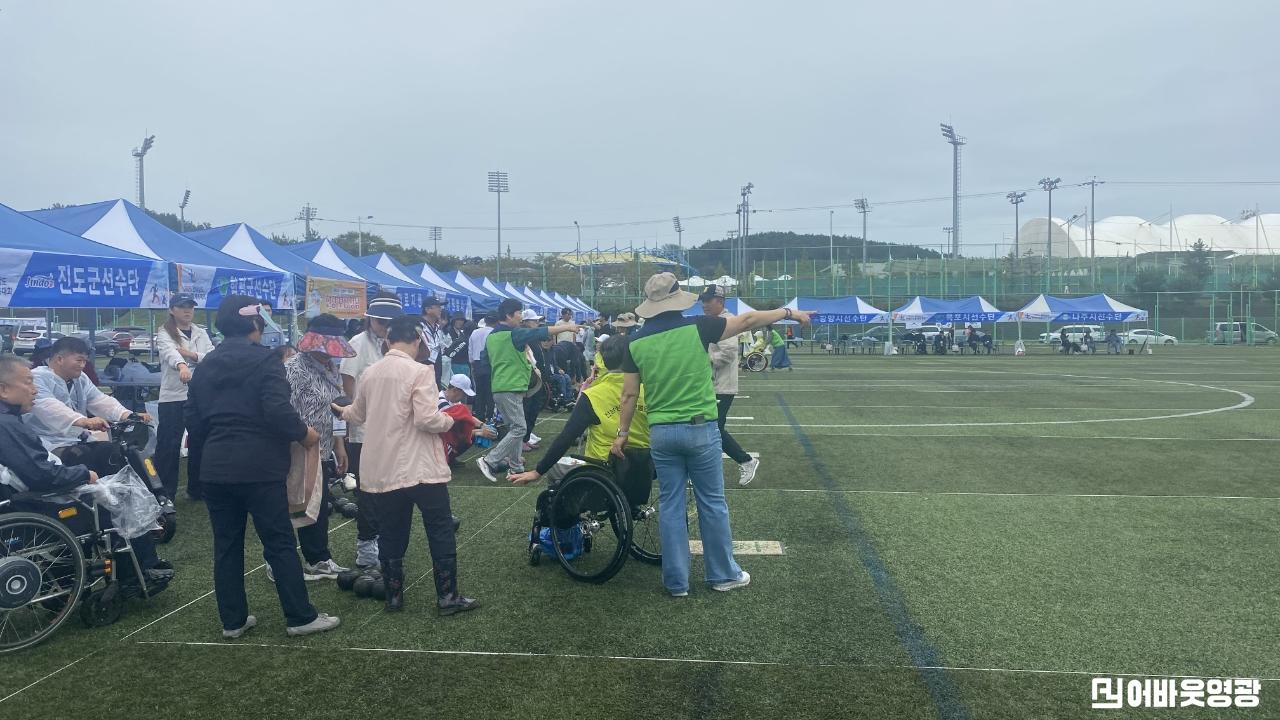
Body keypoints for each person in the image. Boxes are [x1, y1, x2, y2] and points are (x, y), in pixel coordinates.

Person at [612, 273, 810, 597]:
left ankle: (676, 582)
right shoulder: (699, 326)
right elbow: (748, 320)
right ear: (678, 299)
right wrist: (789, 312)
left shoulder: (634, 342)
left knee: (670, 505)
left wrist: (622, 434)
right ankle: (722, 575)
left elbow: (629, 395)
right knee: (712, 503)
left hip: (661, 432)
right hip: (700, 428)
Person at [184, 295, 339, 638]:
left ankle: (233, 621)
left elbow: (192, 419)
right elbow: (277, 410)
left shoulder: (206, 364)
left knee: (226, 545)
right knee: (279, 542)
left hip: (215, 467)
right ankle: (300, 617)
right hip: (260, 467)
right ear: (254, 323)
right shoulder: (265, 360)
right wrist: (306, 435)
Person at [335, 315, 478, 615]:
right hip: (421, 467)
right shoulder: (421, 371)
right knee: (439, 528)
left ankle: (394, 597)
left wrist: (340, 410)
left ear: (388, 341)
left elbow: (356, 414)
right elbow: (427, 419)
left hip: (384, 468)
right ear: (417, 340)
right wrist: (452, 418)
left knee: (392, 530)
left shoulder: (371, 373)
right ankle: (447, 597)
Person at [0, 354, 172, 589]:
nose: (34, 389)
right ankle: (139, 572)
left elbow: (99, 400)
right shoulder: (7, 425)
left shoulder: (10, 420)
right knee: (117, 498)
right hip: (35, 502)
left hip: (23, 494)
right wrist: (83, 474)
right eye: (28, 382)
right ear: (4, 390)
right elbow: (42, 475)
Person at [509, 335, 650, 489]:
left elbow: (567, 437)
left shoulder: (593, 396)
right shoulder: (648, 390)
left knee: (557, 471)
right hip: (643, 470)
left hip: (603, 473)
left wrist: (538, 471)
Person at [280, 314, 355, 581]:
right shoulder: (293, 368)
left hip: (322, 449)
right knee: (293, 503)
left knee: (318, 505)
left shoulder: (331, 367)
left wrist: (339, 444)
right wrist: (301, 435)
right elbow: (282, 410)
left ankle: (318, 559)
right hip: (296, 448)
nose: (327, 353)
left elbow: (338, 407)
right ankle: (277, 560)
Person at [475, 299, 577, 481]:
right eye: (519, 313)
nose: (521, 317)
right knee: (519, 429)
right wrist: (567, 328)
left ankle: (516, 467)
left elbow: (484, 363)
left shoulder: (491, 337)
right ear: (509, 315)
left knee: (514, 428)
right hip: (511, 387)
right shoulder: (514, 334)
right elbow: (540, 332)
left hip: (499, 387)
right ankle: (490, 460)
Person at [340, 293, 403, 570]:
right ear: (369, 320)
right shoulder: (357, 343)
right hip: (365, 431)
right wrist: (356, 415)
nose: (384, 327)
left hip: (392, 427)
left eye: (390, 323)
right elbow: (347, 382)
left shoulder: (396, 344)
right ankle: (366, 546)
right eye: (380, 321)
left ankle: (383, 539)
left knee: (391, 489)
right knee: (368, 492)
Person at [26, 336, 152, 453]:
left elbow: (99, 400)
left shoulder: (80, 378)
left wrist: (127, 414)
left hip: (76, 439)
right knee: (98, 455)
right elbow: (48, 407)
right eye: (79, 360)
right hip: (47, 444)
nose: (83, 365)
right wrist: (83, 421)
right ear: (60, 359)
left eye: (85, 361)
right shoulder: (37, 378)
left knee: (116, 452)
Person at [154, 293, 214, 502]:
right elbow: (170, 353)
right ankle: (165, 493)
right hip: (173, 396)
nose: (188, 310)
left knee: (200, 441)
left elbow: (211, 356)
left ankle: (197, 489)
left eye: (190, 306)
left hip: (199, 395)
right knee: (168, 445)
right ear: (172, 310)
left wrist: (191, 356)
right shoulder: (164, 332)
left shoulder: (200, 332)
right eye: (182, 306)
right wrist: (182, 365)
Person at [699, 285, 759, 486]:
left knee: (712, 428)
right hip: (713, 385)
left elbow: (728, 353)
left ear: (720, 301)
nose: (704, 304)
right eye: (703, 301)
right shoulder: (716, 320)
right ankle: (741, 461)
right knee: (708, 428)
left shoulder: (726, 322)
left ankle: (746, 460)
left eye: (708, 300)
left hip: (721, 386)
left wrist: (700, 360)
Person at [437, 373, 496, 465]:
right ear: (455, 390)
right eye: (463, 394)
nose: (464, 397)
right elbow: (451, 431)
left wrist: (483, 425)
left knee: (470, 431)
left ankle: (450, 458)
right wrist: (479, 432)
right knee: (470, 434)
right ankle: (446, 459)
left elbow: (467, 417)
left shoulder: (453, 401)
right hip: (440, 438)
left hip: (446, 435)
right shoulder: (441, 402)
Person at [521, 311, 553, 452]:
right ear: (525, 322)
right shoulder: (523, 336)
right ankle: (522, 440)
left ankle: (526, 438)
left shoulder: (534, 337)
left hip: (538, 378)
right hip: (529, 380)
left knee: (534, 409)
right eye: (533, 321)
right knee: (527, 410)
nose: (536, 323)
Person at [468, 315, 497, 420]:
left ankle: (479, 416)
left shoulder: (475, 332)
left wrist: (472, 363)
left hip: (477, 364)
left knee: (479, 392)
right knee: (490, 392)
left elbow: (470, 350)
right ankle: (490, 416)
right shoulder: (494, 332)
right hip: (489, 364)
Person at [420, 297, 447, 382]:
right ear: (427, 309)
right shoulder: (418, 326)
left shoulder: (438, 327)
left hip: (437, 370)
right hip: (422, 370)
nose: (440, 309)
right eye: (438, 307)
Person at [443, 315, 470, 379]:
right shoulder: (447, 332)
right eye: (458, 320)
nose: (460, 322)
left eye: (462, 320)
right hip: (451, 364)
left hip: (463, 364)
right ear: (453, 321)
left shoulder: (463, 334)